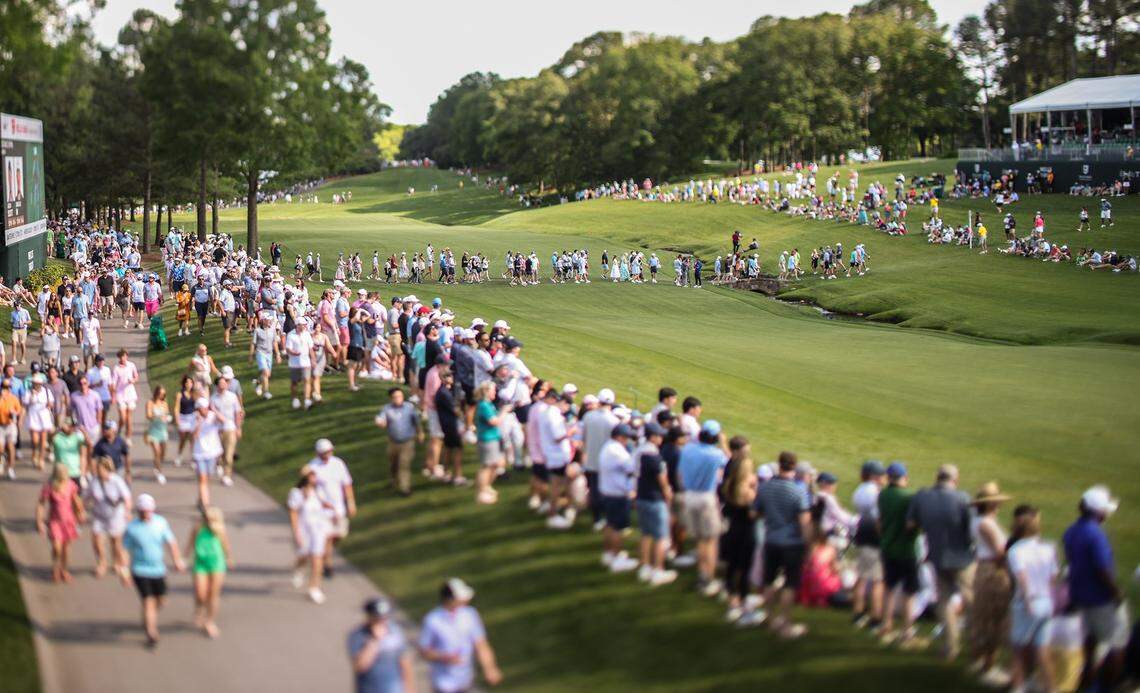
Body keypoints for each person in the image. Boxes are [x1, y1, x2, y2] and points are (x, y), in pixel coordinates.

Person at [906, 464, 976, 661]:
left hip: (937, 555)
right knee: (970, 599)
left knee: (943, 602)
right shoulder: (962, 498)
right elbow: (971, 530)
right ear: (955, 479)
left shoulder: (922, 496)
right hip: (961, 557)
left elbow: (911, 524)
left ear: (937, 478)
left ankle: (950, 647)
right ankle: (977, 643)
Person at [1063, 485, 1128, 691]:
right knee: (1116, 645)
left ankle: (1086, 683)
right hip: (1100, 598)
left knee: (1090, 644)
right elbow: (1101, 569)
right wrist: (1115, 592)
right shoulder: (1096, 535)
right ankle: (1107, 687)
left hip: (1079, 595)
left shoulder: (1072, 530)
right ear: (1100, 512)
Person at [755, 451, 812, 638]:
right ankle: (785, 624)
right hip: (792, 543)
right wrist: (808, 546)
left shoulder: (766, 487)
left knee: (769, 581)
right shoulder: (799, 490)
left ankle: (769, 618)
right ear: (794, 467)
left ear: (779, 464)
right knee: (789, 584)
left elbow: (756, 512)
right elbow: (804, 522)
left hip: (771, 540)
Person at [121, 493, 185, 647]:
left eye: (149, 510)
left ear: (153, 510)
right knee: (148, 602)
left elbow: (171, 543)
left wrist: (177, 560)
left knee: (161, 600)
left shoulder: (161, 523)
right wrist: (124, 570)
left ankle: (149, 617)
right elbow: (124, 550)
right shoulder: (131, 528)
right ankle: (151, 632)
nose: (146, 514)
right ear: (138, 511)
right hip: (140, 570)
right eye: (143, 511)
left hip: (158, 570)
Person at [1007, 505, 1058, 692]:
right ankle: (1050, 688)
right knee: (1043, 650)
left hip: (1026, 603)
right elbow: (1053, 578)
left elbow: (1021, 578)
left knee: (1018, 651)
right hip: (1046, 601)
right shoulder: (1048, 548)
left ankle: (1018, 687)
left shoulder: (1015, 551)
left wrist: (1028, 599)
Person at [418, 578, 502, 692]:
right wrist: (444, 657)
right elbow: (424, 652)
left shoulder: (470, 615)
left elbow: (481, 644)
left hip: (466, 682)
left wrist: (490, 668)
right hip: (443, 684)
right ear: (450, 599)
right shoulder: (432, 620)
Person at [967, 482, 1012, 686]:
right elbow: (1000, 552)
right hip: (993, 572)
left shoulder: (981, 521)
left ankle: (978, 659)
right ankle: (989, 666)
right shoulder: (986, 523)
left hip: (984, 570)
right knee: (994, 617)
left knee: (983, 615)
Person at [676, 419, 728, 596]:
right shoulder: (716, 455)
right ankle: (709, 579)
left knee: (700, 539)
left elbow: (680, 473)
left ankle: (702, 574)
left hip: (689, 495)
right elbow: (729, 460)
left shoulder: (688, 449)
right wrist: (724, 443)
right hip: (705, 497)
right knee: (711, 540)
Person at [877, 462, 924, 649]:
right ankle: (907, 631)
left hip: (887, 547)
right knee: (908, 592)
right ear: (904, 477)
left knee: (889, 587)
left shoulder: (883, 494)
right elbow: (912, 525)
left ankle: (886, 625)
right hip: (906, 549)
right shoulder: (909, 497)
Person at [721, 437, 760, 624]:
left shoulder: (730, 486)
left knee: (732, 566)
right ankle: (743, 604)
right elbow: (754, 514)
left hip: (732, 530)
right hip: (746, 533)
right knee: (743, 569)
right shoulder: (747, 493)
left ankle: (732, 600)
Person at [634, 421, 676, 587]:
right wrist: (668, 495)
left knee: (646, 534)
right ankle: (658, 569)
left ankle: (645, 566)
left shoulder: (640, 451)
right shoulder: (653, 457)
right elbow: (663, 481)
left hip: (642, 496)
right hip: (654, 499)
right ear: (653, 437)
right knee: (660, 536)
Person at [307, 439, 356, 578]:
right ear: (318, 453)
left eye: (329, 451)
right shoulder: (313, 467)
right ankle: (327, 566)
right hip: (322, 511)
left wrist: (351, 502)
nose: (328, 454)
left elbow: (347, 484)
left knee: (340, 534)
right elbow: (310, 489)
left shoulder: (338, 464)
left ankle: (322, 554)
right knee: (327, 538)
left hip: (338, 508)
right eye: (324, 452)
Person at [349, 597, 415, 693]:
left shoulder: (395, 632)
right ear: (369, 616)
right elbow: (360, 666)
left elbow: (404, 662)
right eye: (377, 618)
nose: (382, 621)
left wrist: (410, 689)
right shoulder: (358, 636)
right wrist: (375, 640)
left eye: (385, 617)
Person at [597, 422, 639, 573]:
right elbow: (632, 467)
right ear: (620, 437)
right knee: (617, 527)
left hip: (608, 491)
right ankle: (617, 558)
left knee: (610, 524)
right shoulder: (617, 451)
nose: (628, 441)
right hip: (617, 493)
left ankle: (608, 553)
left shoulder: (608, 447)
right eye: (626, 438)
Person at [186, 505, 232, 638]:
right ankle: (199, 608)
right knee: (201, 593)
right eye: (205, 517)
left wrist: (229, 557)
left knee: (213, 594)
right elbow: (190, 543)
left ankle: (210, 621)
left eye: (210, 518)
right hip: (200, 563)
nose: (207, 520)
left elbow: (225, 544)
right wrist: (184, 557)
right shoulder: (198, 528)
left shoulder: (220, 529)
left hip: (217, 564)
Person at [36, 463, 86, 583]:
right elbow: (41, 504)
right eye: (63, 475)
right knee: (57, 547)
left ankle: (64, 570)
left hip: (69, 521)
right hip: (55, 522)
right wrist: (39, 522)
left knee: (66, 549)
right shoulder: (49, 487)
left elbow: (76, 500)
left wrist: (80, 513)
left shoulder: (71, 485)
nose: (65, 477)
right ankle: (55, 568)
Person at [289, 466, 332, 603]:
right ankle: (299, 569)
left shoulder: (319, 492)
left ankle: (314, 588)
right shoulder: (297, 493)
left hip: (318, 529)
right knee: (303, 555)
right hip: (304, 529)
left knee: (317, 557)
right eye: (312, 475)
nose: (314, 478)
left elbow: (325, 505)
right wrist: (296, 532)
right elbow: (293, 512)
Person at [851, 460, 886, 630]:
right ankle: (876, 617)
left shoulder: (859, 490)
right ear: (874, 476)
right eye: (880, 475)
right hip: (873, 534)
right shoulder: (875, 493)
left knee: (862, 575)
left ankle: (858, 612)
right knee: (878, 579)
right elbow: (879, 517)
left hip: (861, 531)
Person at [84, 456, 132, 578]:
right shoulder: (94, 481)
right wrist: (81, 511)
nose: (98, 472)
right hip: (99, 516)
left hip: (115, 516)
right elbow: (86, 497)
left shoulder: (116, 481)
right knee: (96, 541)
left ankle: (116, 562)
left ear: (107, 469)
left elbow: (127, 498)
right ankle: (102, 563)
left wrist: (127, 511)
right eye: (97, 469)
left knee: (115, 542)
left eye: (100, 469)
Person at [375, 388, 421, 496]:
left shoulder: (409, 407)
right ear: (391, 398)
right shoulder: (387, 409)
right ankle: (394, 480)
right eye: (395, 397)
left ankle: (405, 487)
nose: (398, 399)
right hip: (393, 442)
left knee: (404, 464)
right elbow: (381, 419)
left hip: (407, 441)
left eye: (400, 396)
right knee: (394, 464)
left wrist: (420, 433)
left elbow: (416, 421)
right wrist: (380, 423)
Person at [473, 381, 505, 504]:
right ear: (487, 391)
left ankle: (486, 487)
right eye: (493, 390)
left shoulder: (488, 404)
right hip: (487, 440)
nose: (495, 393)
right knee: (486, 466)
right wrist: (504, 412)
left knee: (495, 464)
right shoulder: (484, 406)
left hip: (493, 439)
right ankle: (481, 492)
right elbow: (494, 421)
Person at [210, 372, 243, 487]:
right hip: (218, 430)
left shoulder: (232, 397)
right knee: (221, 453)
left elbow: (237, 413)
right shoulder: (213, 399)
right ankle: (219, 464)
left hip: (230, 428)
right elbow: (211, 415)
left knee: (229, 455)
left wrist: (238, 428)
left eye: (225, 383)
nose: (224, 385)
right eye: (221, 383)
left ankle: (227, 475)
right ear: (217, 386)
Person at [190, 397, 223, 506]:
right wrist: (199, 422)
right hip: (199, 453)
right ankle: (206, 505)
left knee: (207, 478)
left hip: (212, 452)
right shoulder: (194, 418)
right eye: (201, 408)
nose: (204, 410)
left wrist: (214, 410)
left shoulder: (212, 416)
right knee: (202, 479)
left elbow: (223, 420)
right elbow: (194, 436)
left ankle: (201, 499)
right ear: (198, 409)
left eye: (205, 408)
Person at [23, 373, 55, 471]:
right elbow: (25, 403)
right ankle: (34, 453)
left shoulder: (46, 391)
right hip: (33, 417)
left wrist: (50, 405)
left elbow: (51, 403)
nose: (35, 385)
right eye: (34, 383)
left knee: (43, 440)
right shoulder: (28, 392)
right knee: (35, 440)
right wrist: (32, 395)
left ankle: (41, 459)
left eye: (37, 383)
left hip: (44, 416)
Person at [144, 385, 171, 484]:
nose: (162, 395)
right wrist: (157, 416)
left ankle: (157, 465)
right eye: (160, 393)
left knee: (163, 453)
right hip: (153, 431)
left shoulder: (164, 403)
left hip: (162, 430)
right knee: (157, 452)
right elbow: (148, 416)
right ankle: (160, 473)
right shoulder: (150, 403)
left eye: (163, 394)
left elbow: (167, 414)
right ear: (156, 393)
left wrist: (167, 418)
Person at [249, 313, 280, 399]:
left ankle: (258, 383)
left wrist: (277, 354)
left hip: (269, 353)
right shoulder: (257, 331)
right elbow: (253, 344)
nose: (270, 321)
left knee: (267, 375)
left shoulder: (272, 330)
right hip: (260, 352)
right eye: (268, 320)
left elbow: (274, 343)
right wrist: (251, 356)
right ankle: (266, 392)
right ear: (263, 321)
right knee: (265, 373)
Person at [111, 348, 140, 439]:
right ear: (119, 357)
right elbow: (113, 383)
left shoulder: (131, 365)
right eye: (121, 356)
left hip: (130, 394)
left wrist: (133, 380)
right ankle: (119, 430)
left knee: (128, 418)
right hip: (120, 395)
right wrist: (113, 396)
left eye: (124, 356)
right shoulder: (116, 368)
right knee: (123, 418)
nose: (123, 358)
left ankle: (128, 438)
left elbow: (136, 377)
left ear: (127, 356)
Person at [52, 415, 88, 485]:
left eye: (74, 426)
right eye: (70, 425)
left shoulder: (78, 437)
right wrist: (59, 428)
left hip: (75, 473)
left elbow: (84, 454)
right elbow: (50, 438)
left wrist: (82, 475)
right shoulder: (58, 437)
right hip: (60, 473)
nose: (72, 428)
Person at [0, 379, 23, 479]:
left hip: (11, 425)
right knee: (0, 447)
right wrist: (2, 398)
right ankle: (2, 459)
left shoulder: (14, 398)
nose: (7, 389)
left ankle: (10, 468)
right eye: (5, 387)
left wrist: (14, 413)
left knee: (10, 446)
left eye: (8, 387)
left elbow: (19, 411)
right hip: (0, 425)